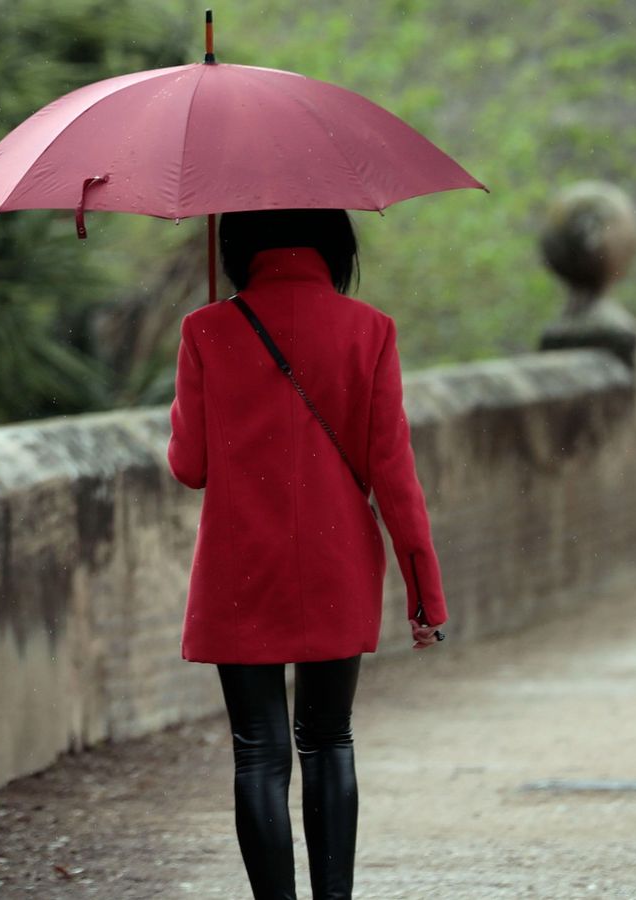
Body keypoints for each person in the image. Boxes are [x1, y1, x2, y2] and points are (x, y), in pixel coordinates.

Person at [166, 208, 448, 900]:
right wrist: (424, 594)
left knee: (258, 751)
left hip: (240, 567)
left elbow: (190, 466)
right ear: (334, 241)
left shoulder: (206, 330)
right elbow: (394, 476)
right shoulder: (370, 331)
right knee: (328, 739)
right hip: (335, 564)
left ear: (238, 242)